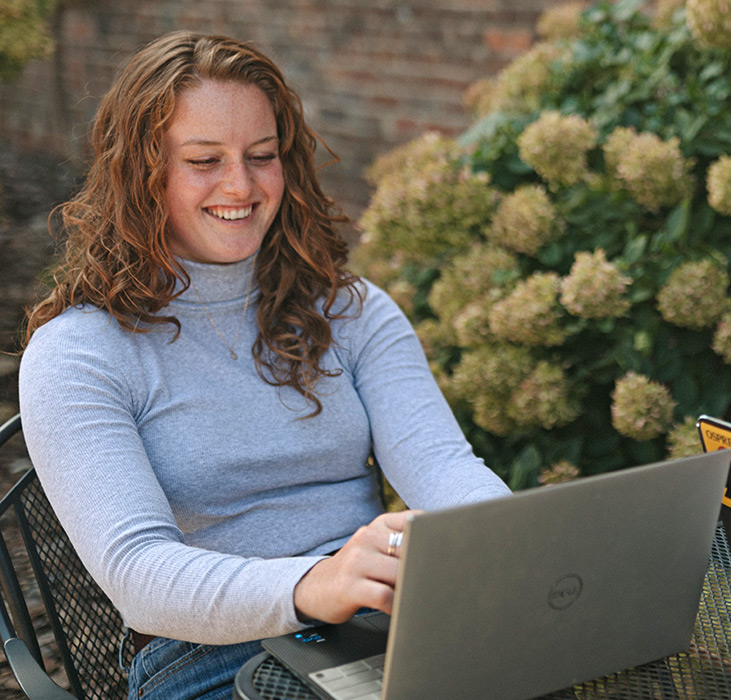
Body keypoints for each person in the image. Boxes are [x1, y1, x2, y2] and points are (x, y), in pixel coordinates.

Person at [18, 32, 511, 700]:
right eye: (203, 160)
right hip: (206, 658)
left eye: (262, 155)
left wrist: (513, 547)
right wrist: (314, 585)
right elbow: (138, 575)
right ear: (142, 173)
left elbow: (443, 468)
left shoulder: (349, 311)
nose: (241, 186)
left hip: (377, 626)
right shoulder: (81, 352)